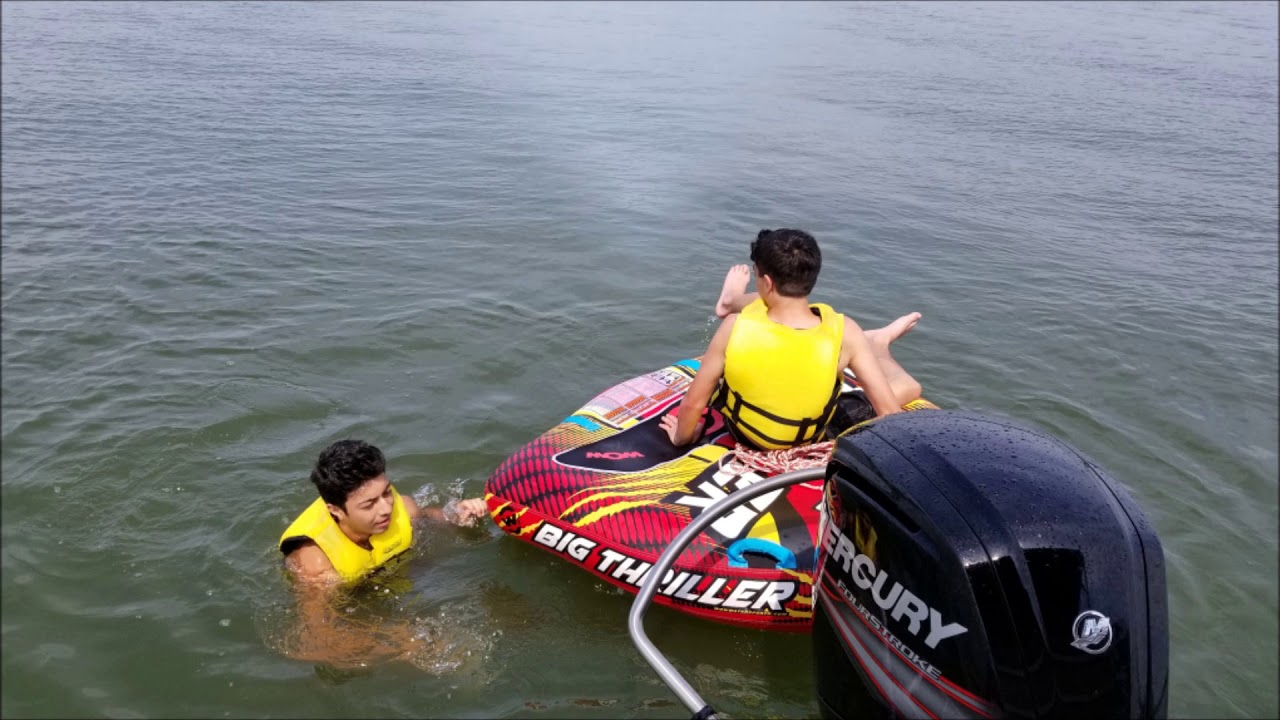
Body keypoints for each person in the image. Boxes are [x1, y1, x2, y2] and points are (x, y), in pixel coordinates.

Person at [660, 228, 924, 450]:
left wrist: (682, 437)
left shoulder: (734, 327)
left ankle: (877, 345)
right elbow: (889, 414)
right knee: (906, 386)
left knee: (909, 387)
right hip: (806, 437)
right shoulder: (846, 331)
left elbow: (694, 402)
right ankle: (876, 347)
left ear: (766, 281)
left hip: (743, 432)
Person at [276, 439, 488, 668]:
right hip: (353, 596)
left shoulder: (403, 509)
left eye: (386, 493)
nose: (386, 508)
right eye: (369, 505)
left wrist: (460, 513)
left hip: (396, 577)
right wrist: (400, 644)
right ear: (335, 510)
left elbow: (437, 517)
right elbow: (316, 641)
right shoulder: (315, 562)